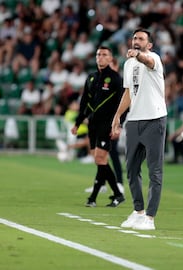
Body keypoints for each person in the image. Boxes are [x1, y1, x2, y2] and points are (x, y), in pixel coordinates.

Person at [111, 28, 167, 230]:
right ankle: (138, 211)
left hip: (154, 119)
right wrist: (118, 115)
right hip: (134, 120)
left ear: (149, 44)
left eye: (141, 39)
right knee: (132, 170)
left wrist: (139, 55)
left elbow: (148, 62)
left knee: (155, 171)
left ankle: (150, 218)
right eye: (134, 38)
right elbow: (129, 92)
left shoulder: (153, 58)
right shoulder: (128, 64)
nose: (136, 40)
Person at [72, 45, 125, 208]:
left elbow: (123, 104)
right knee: (100, 160)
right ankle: (116, 194)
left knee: (100, 158)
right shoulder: (91, 77)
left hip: (106, 124)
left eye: (104, 55)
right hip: (93, 124)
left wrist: (118, 124)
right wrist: (78, 122)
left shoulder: (116, 78)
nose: (100, 57)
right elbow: (84, 102)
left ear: (110, 59)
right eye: (98, 55)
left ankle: (94, 197)